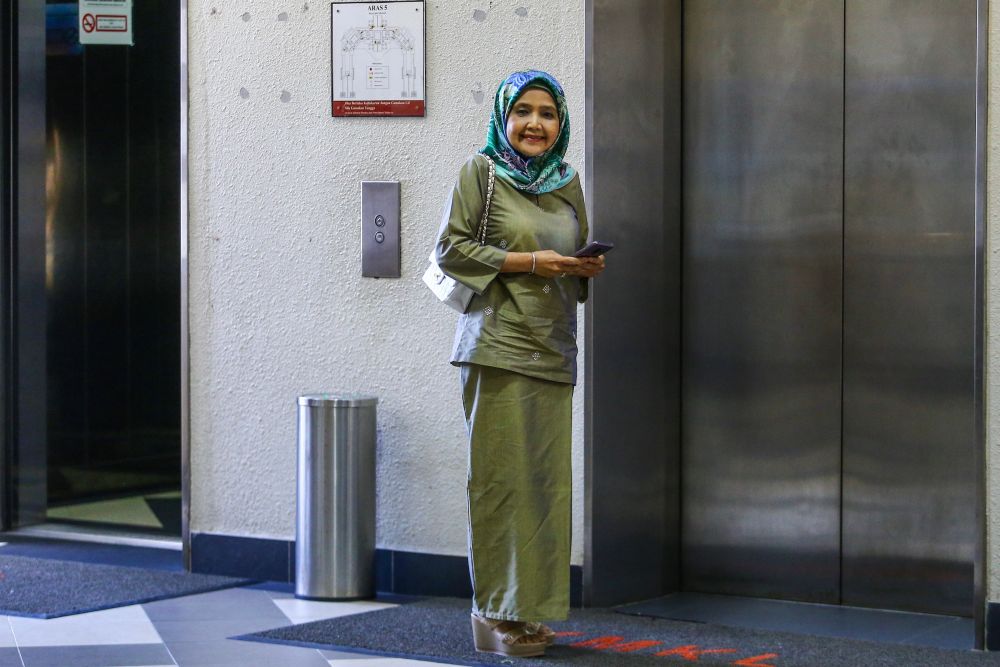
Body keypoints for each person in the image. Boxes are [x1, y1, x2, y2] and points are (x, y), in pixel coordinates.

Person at [434, 70, 605, 658]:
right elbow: (451, 249)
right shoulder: (481, 172)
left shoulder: (568, 181)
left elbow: (571, 252)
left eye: (549, 113)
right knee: (501, 485)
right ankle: (495, 611)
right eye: (524, 111)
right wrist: (532, 260)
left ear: (560, 123)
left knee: (545, 486)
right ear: (505, 118)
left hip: (553, 346)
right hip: (499, 346)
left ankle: (526, 608)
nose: (536, 124)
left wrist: (579, 269)